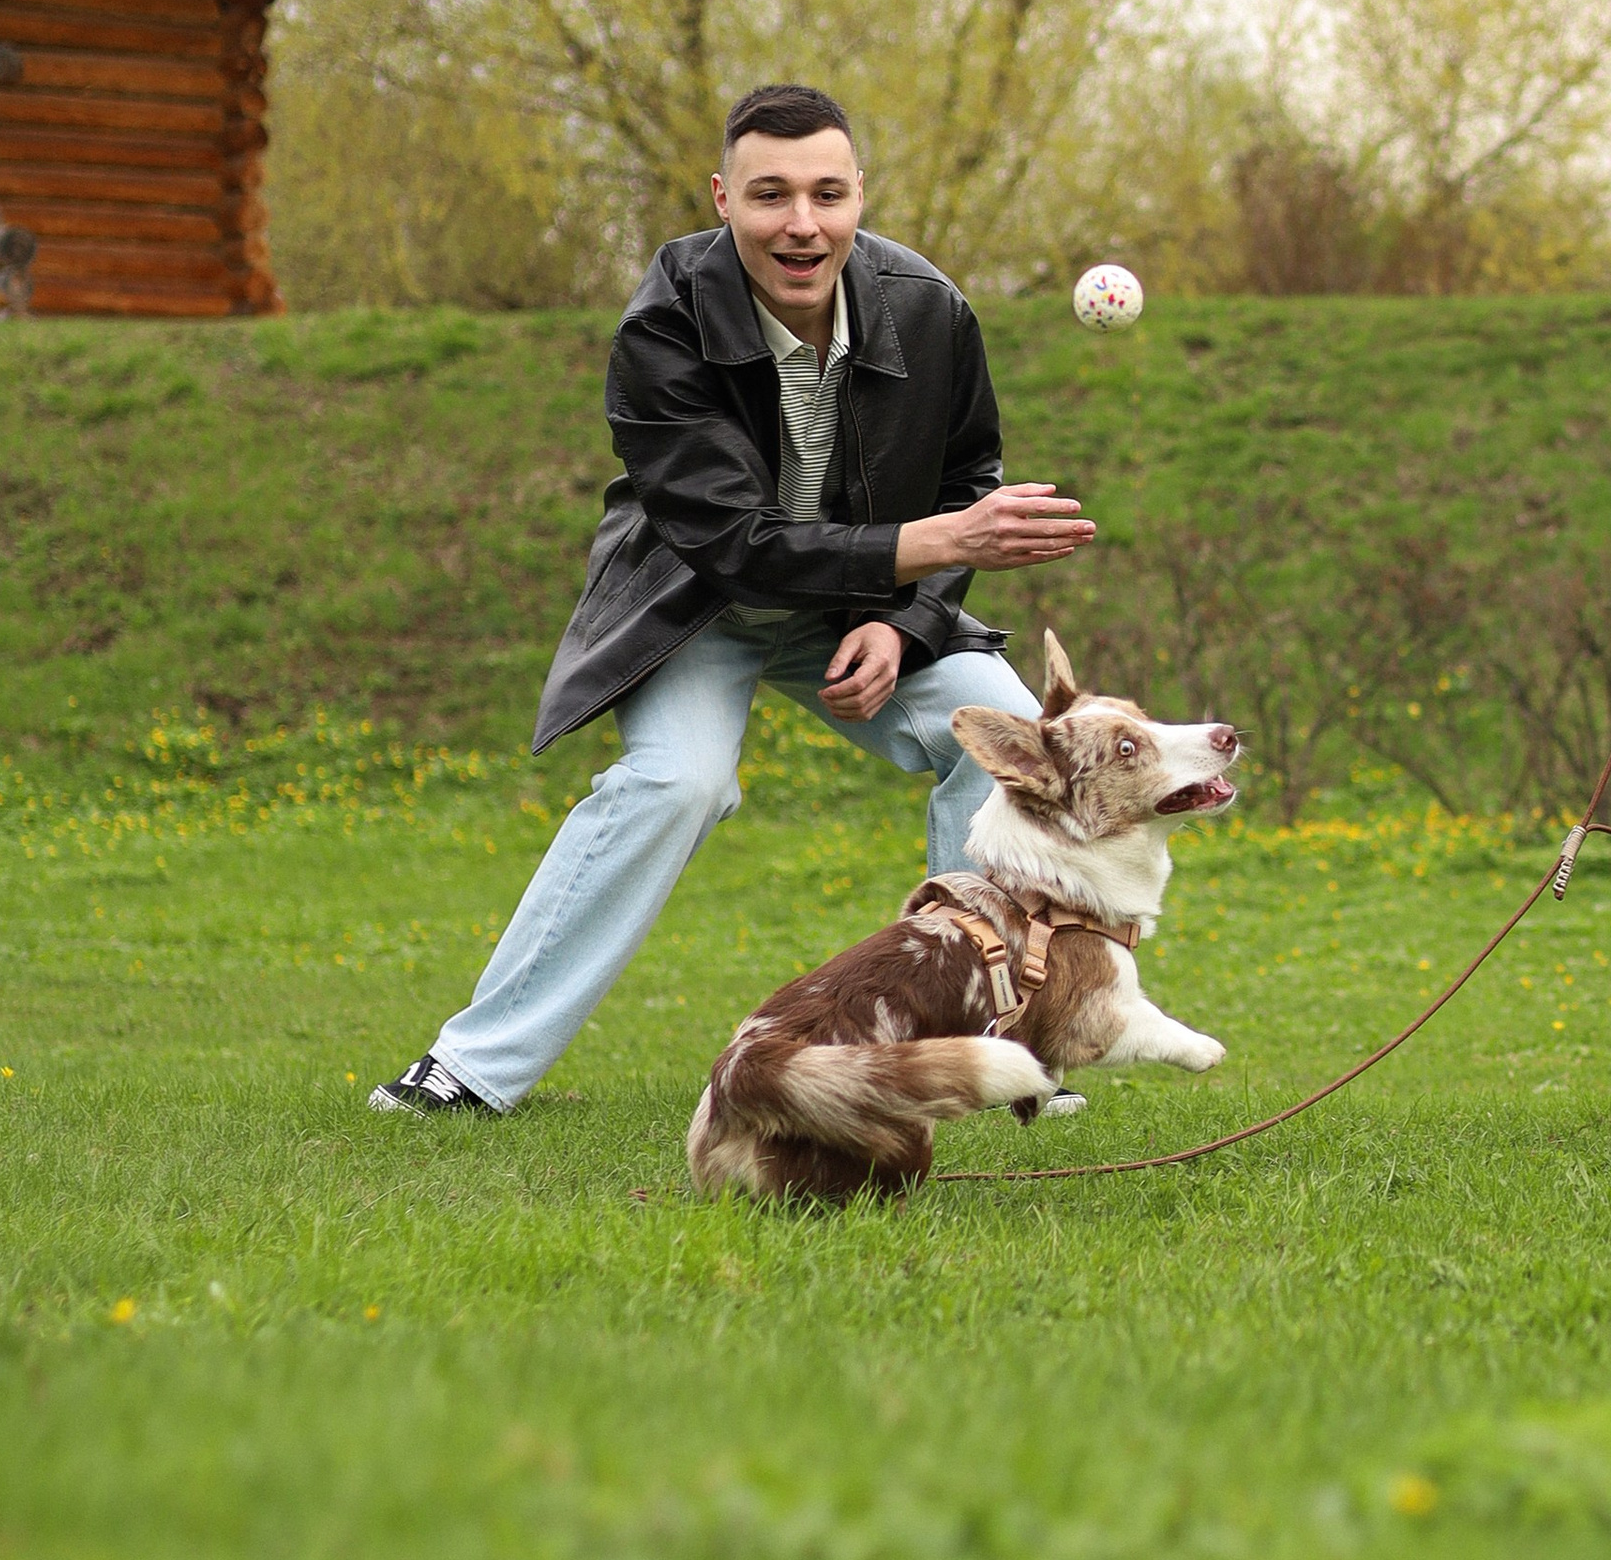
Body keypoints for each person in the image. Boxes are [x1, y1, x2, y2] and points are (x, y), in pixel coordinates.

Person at [370, 82, 1092, 1115]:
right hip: (698, 607)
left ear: (858, 198)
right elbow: (736, 545)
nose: (801, 223)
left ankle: (985, 1052)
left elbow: (966, 476)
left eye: (827, 194)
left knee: (1013, 738)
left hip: (862, 602)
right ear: (722, 198)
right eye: (770, 195)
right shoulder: (663, 325)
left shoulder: (929, 308)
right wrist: (928, 548)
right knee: (676, 783)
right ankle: (472, 1069)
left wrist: (903, 617)